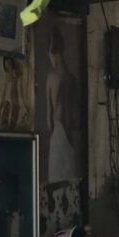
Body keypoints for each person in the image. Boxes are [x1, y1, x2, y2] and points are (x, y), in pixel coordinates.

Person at [46, 26, 79, 183]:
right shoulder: (72, 78)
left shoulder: (52, 77)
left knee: (56, 180)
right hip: (70, 135)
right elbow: (75, 116)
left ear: (52, 52)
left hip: (58, 133)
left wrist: (52, 132)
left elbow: (48, 114)